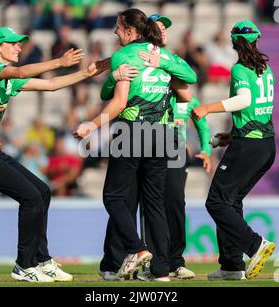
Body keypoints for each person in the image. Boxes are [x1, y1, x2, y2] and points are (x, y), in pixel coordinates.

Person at [0, 26, 109, 282]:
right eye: (13, 43)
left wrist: (86, 72)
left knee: (42, 191)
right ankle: (24, 265)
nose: (19, 46)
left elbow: (51, 85)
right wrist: (59, 61)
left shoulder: (7, 80)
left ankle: (42, 260)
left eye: (19, 43)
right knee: (30, 197)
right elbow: (21, 70)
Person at [74, 8, 195, 281]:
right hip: (163, 135)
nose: (115, 32)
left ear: (131, 31)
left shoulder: (124, 55)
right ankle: (162, 270)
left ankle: (138, 249)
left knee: (114, 197)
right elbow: (190, 78)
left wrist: (90, 126)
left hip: (133, 132)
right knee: (154, 202)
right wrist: (161, 63)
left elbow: (116, 102)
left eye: (118, 27)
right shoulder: (162, 54)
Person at [191, 20, 276, 281]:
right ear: (256, 40)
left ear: (235, 42)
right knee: (230, 201)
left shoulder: (240, 68)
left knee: (215, 201)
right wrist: (231, 135)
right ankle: (231, 265)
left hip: (249, 146)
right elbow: (256, 110)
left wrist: (207, 108)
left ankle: (255, 245)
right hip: (265, 145)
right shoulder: (265, 68)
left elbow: (244, 101)